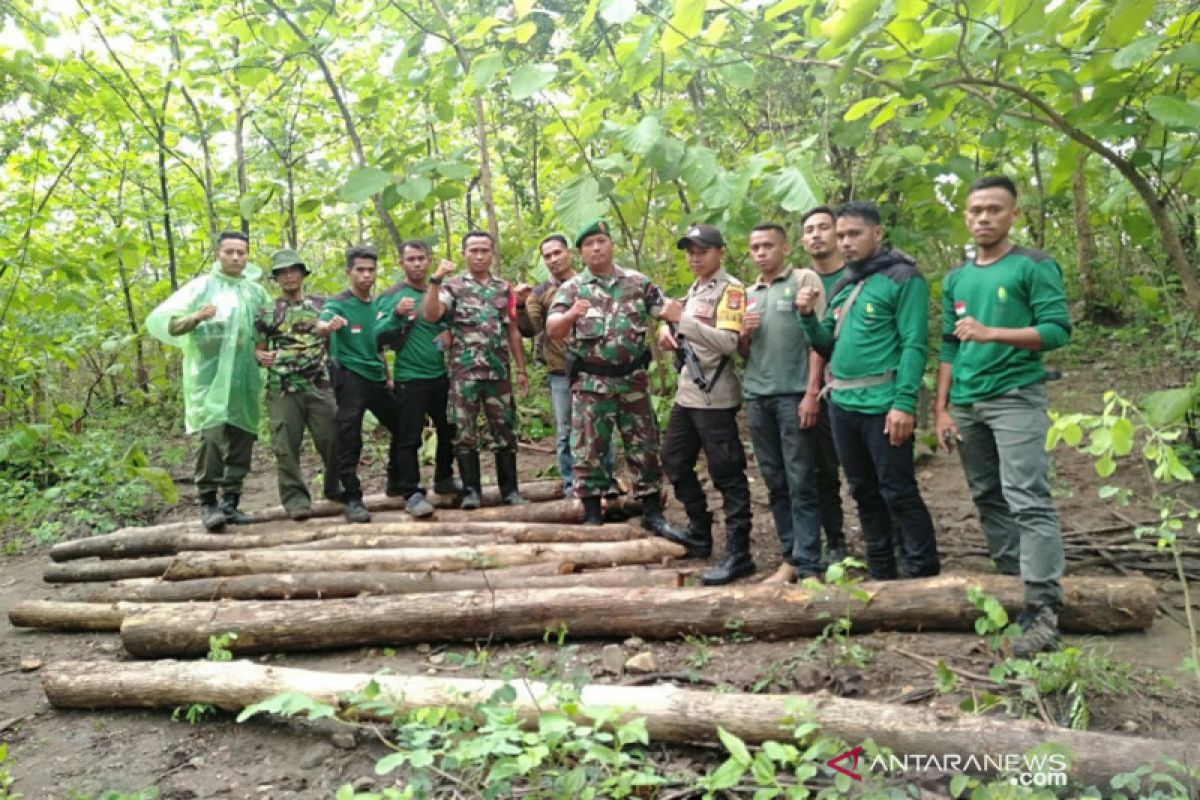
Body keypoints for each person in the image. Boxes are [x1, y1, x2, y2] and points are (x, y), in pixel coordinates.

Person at [935, 175, 1071, 657]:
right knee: (987, 493)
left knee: (1027, 497)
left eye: (994, 209)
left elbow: (1057, 331)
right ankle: (1011, 576)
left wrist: (995, 333)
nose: (983, 218)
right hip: (967, 403)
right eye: (975, 211)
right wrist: (942, 408)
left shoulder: (1033, 266)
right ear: (966, 217)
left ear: (1014, 214)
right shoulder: (957, 277)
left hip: (1016, 395)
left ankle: (1042, 605)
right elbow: (950, 343)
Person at [797, 202, 940, 581]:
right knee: (862, 490)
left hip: (884, 404)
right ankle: (882, 571)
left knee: (898, 490)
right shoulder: (846, 284)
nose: (845, 242)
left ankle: (924, 572)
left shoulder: (902, 278)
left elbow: (913, 344)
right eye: (840, 235)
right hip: (843, 404)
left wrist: (904, 402)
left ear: (877, 233)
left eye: (853, 234)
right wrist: (807, 317)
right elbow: (826, 344)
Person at [545, 219, 686, 541]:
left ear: (611, 244)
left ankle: (652, 512)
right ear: (580, 253)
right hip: (592, 385)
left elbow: (666, 309)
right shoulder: (572, 288)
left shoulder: (637, 282)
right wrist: (570, 316)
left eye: (601, 241)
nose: (596, 248)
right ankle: (594, 516)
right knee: (589, 450)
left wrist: (668, 325)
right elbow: (553, 328)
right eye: (588, 244)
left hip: (633, 382)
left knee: (644, 447)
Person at [146, 230, 270, 532]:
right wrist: (197, 316)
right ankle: (208, 502)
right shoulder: (200, 288)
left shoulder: (255, 292)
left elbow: (268, 329)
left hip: (245, 378)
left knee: (243, 436)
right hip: (208, 379)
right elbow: (172, 326)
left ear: (248, 255)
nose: (236, 257)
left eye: (242, 252)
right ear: (218, 253)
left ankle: (231, 503)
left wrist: (262, 352)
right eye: (230, 252)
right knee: (212, 438)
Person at [658, 224, 755, 584]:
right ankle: (700, 530)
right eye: (690, 252)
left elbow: (729, 343)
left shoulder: (730, 291)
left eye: (702, 251)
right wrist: (670, 333)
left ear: (720, 252)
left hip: (715, 397)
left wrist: (679, 321)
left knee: (727, 473)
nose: (695, 258)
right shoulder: (695, 289)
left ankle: (739, 551)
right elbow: (686, 332)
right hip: (688, 393)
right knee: (674, 460)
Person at [741, 223, 828, 581]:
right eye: (755, 247)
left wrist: (811, 392)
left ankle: (808, 561)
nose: (761, 253)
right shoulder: (747, 293)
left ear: (785, 248)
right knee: (774, 479)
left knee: (800, 477)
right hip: (757, 394)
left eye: (767, 246)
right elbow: (744, 353)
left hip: (794, 393)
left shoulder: (804, 281)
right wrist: (743, 333)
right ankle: (790, 554)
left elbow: (818, 341)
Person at [422, 231, 528, 509]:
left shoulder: (504, 288)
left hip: (498, 374)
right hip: (464, 375)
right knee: (464, 435)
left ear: (492, 253)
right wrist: (435, 279)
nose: (479, 256)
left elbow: (513, 330)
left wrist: (521, 370)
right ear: (464, 254)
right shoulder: (453, 286)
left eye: (484, 250)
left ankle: (510, 491)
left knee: (504, 432)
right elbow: (431, 314)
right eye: (473, 250)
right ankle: (472, 492)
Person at [316, 245, 405, 523]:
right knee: (350, 435)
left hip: (376, 377)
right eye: (360, 270)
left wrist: (387, 374)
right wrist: (327, 326)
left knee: (403, 426)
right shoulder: (338, 303)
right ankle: (352, 497)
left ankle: (396, 480)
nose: (366, 275)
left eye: (371, 270)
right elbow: (322, 321)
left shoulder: (376, 304)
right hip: (350, 376)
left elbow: (376, 343)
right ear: (349, 272)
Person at [253, 248, 340, 521]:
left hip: (319, 385)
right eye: (282, 272)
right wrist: (259, 356)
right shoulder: (266, 312)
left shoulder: (322, 306)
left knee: (333, 439)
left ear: (302, 274)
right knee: (285, 446)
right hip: (282, 388)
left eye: (293, 271)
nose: (289, 277)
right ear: (276, 278)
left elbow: (332, 343)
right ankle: (296, 501)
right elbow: (259, 349)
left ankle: (335, 488)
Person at [376, 239, 459, 518]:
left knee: (449, 430)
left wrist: (447, 335)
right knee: (409, 436)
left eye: (421, 258)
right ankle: (410, 490)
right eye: (410, 259)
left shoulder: (439, 292)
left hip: (439, 374)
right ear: (401, 262)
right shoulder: (391, 295)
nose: (416, 264)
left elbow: (442, 323)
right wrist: (395, 315)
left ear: (429, 259)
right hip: (409, 377)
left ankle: (444, 478)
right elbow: (375, 336)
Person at [798, 207, 849, 565]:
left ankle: (894, 542)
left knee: (873, 470)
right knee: (821, 469)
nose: (816, 235)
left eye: (823, 228)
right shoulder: (798, 282)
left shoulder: (857, 276)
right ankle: (835, 540)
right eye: (809, 230)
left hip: (859, 385)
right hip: (811, 391)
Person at [515, 234, 582, 492]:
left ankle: (603, 479)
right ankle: (570, 484)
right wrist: (520, 306)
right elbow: (529, 329)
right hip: (560, 370)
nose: (553, 259)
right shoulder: (540, 292)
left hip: (595, 369)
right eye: (548, 256)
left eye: (557, 253)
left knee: (597, 428)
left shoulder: (589, 283)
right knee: (565, 430)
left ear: (569, 253)